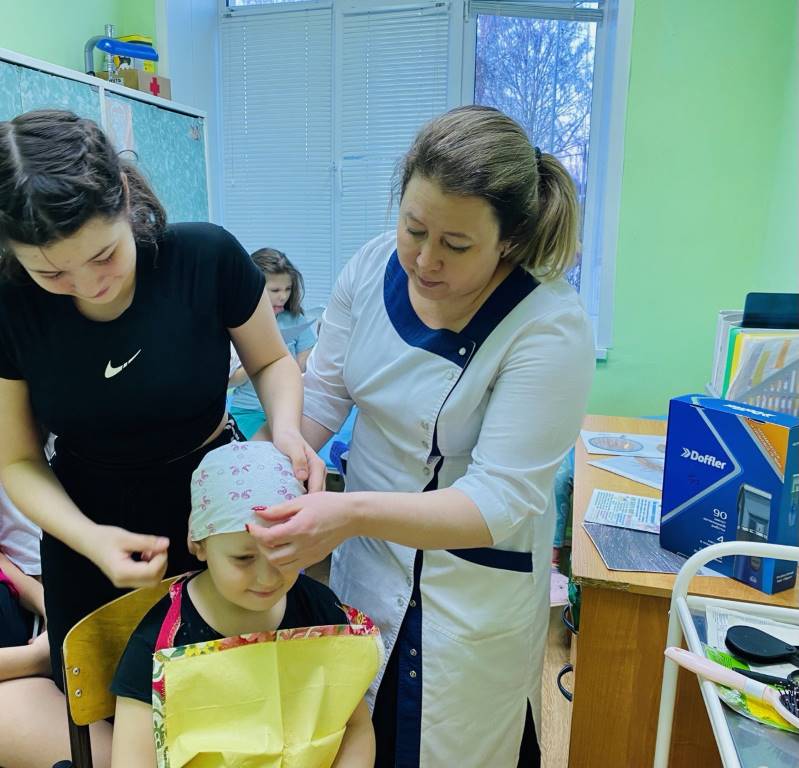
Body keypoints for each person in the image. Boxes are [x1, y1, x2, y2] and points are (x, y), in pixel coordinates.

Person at [248, 105, 595, 767]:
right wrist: (274, 454)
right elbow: (323, 394)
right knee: (356, 735)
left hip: (467, 591)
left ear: (510, 241)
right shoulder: (370, 267)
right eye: (414, 228)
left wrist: (346, 513)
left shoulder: (548, 327)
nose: (425, 259)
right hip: (365, 566)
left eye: (456, 245)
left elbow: (497, 498)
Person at [0, 109, 325, 704]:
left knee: (222, 697)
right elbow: (18, 460)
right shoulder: (10, 304)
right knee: (104, 702)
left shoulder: (204, 257)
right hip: (85, 524)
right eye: (52, 273)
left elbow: (272, 363)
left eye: (103, 256)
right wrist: (91, 539)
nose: (88, 285)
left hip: (213, 509)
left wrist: (285, 431)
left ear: (124, 198)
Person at [110, 441, 375, 768]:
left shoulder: (322, 613)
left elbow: (356, 728)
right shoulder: (157, 647)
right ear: (199, 544)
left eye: (284, 551)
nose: (267, 578)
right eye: (244, 558)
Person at [230, 248, 317, 438]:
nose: (283, 296)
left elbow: (304, 367)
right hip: (247, 410)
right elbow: (229, 382)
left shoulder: (295, 320)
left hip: (287, 409)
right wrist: (261, 357)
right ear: (253, 287)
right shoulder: (239, 322)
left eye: (288, 289)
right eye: (275, 290)